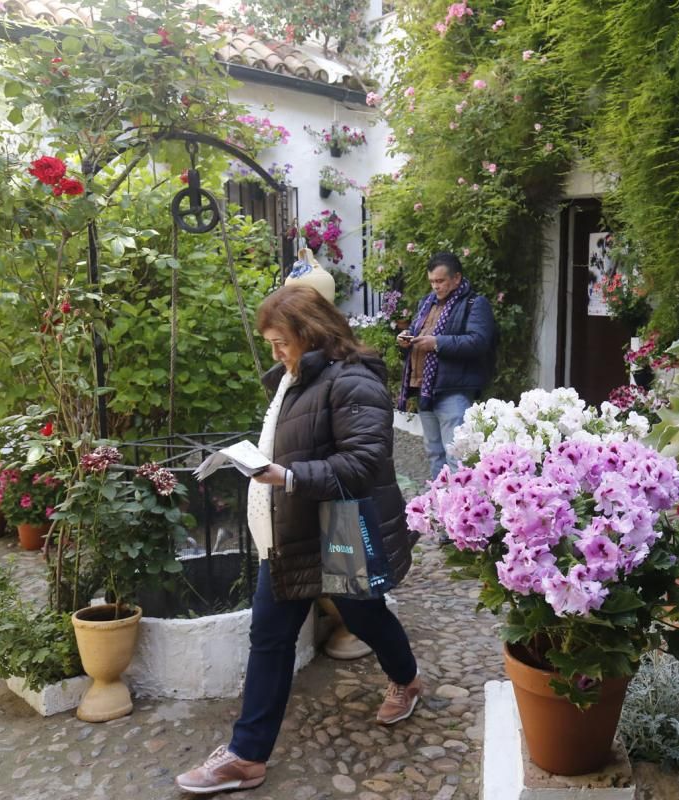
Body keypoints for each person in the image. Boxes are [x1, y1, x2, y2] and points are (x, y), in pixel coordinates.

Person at [176, 285, 421, 795]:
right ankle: (246, 757)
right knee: (269, 637)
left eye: (280, 341)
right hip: (288, 535)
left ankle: (407, 679)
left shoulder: (354, 382)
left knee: (364, 614)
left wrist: (284, 477)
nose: (275, 353)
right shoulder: (295, 376)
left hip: (339, 529)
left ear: (310, 333)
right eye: (270, 343)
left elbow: (361, 465)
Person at [396, 252, 496, 479]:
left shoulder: (475, 304)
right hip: (425, 389)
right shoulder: (426, 303)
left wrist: (437, 343)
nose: (435, 287)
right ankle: (439, 505)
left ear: (457, 278)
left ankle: (460, 508)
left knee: (456, 456)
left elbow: (478, 342)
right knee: (434, 453)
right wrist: (405, 339)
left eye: (440, 281)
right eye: (432, 281)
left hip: (453, 390)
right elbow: (416, 333)